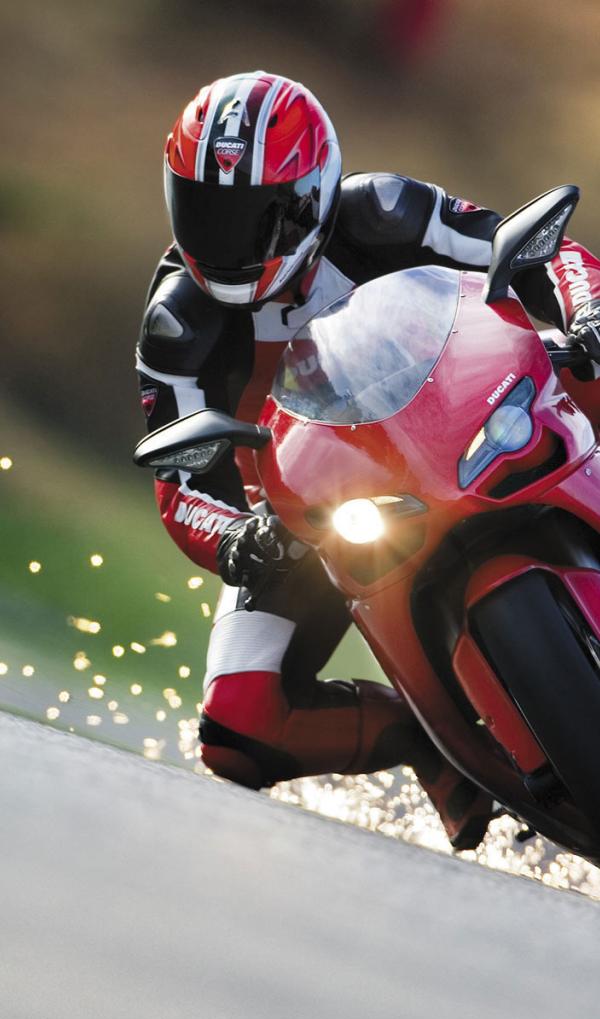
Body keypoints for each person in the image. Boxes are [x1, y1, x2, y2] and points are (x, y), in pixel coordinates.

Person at [136, 70, 600, 850]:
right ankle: (429, 741)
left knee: (591, 355)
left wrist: (587, 308)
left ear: (308, 194)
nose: (226, 239)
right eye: (205, 210)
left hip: (475, 412)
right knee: (237, 729)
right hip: (313, 516)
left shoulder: (385, 209)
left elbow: (533, 253)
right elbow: (180, 482)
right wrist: (235, 538)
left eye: (251, 217)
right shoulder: (176, 327)